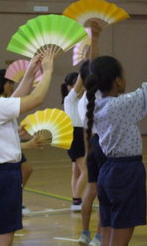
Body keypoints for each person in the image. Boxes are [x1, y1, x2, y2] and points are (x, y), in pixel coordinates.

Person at [84, 33, 147, 246]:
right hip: (125, 173)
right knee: (121, 234)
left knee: (108, 230)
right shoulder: (120, 105)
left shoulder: (98, 103)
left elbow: (144, 93)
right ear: (118, 80)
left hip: (108, 172)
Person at [0, 49, 55, 246]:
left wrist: (31, 72)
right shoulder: (0, 107)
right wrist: (48, 71)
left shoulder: (2, 106)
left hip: (6, 172)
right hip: (4, 174)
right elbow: (35, 99)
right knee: (5, 231)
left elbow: (15, 99)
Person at [76, 20, 104, 246]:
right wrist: (94, 38)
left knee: (91, 189)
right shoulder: (98, 97)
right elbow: (94, 67)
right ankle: (98, 235)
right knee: (104, 193)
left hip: (92, 146)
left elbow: (89, 68)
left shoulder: (82, 99)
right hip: (104, 146)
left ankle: (84, 233)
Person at [0, 69, 36, 216]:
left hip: (7, 160)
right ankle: (15, 201)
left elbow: (19, 95)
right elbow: (37, 98)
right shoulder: (2, 104)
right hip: (4, 165)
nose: (11, 86)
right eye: (9, 83)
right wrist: (47, 71)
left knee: (26, 169)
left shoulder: (5, 102)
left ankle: (15, 200)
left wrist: (17, 131)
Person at [61, 69, 87, 212]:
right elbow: (79, 82)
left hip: (79, 133)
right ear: (70, 87)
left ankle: (76, 199)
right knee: (86, 170)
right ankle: (77, 201)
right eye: (79, 85)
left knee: (76, 170)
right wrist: (85, 65)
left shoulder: (82, 99)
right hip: (74, 133)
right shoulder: (70, 98)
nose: (82, 87)